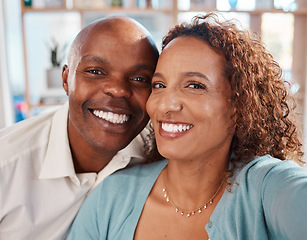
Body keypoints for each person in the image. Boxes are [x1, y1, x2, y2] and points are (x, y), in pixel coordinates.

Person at [68, 13, 307, 240]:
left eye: (194, 86)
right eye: (159, 85)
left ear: (238, 105)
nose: (166, 105)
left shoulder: (266, 187)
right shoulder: (111, 197)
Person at [0, 16, 159, 240]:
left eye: (140, 78)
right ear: (66, 80)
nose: (118, 90)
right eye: (95, 71)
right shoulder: (6, 164)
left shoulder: (157, 153)